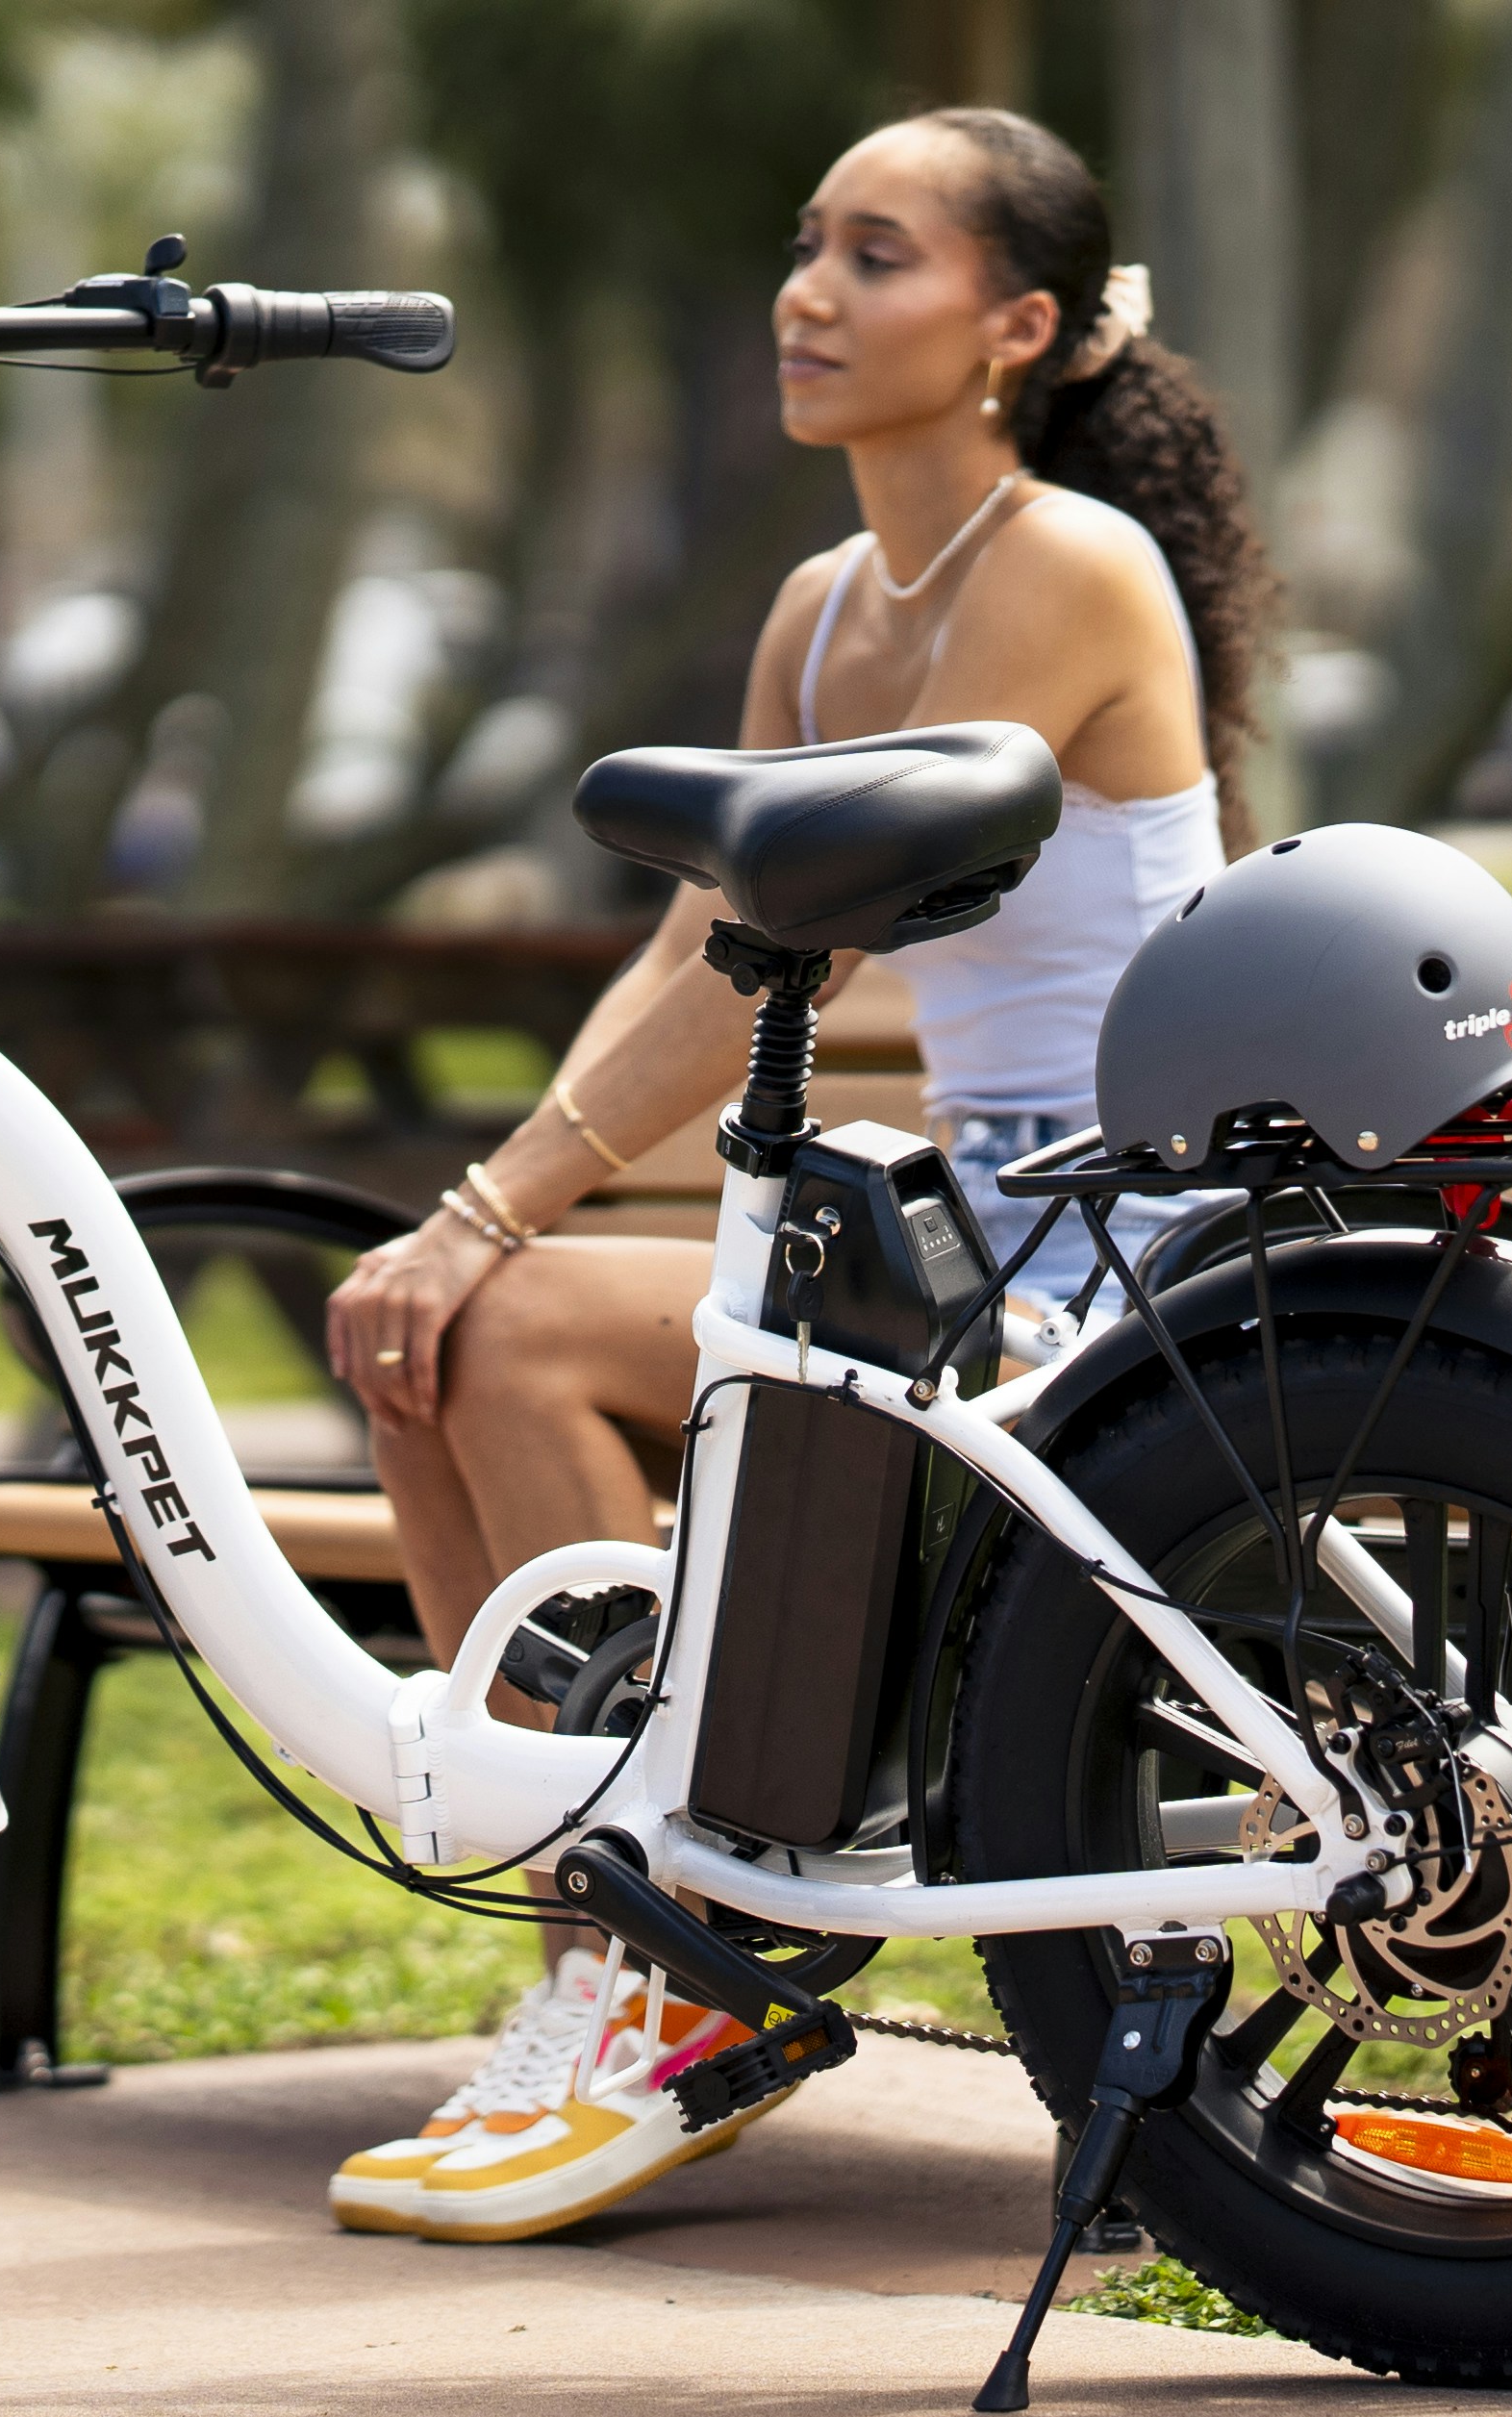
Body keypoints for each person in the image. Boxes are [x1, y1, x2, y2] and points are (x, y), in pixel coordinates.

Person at [310, 105, 1278, 2245]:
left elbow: (801, 939)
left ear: (1018, 325)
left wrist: (493, 1212)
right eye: (807, 246)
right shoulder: (828, 603)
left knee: (505, 1324)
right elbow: (687, 941)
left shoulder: (1066, 570)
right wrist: (498, 1204)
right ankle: (606, 1952)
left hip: (1116, 1255)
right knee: (462, 1332)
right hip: (960, 1236)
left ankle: (674, 1973)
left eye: (878, 256)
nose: (809, 294)